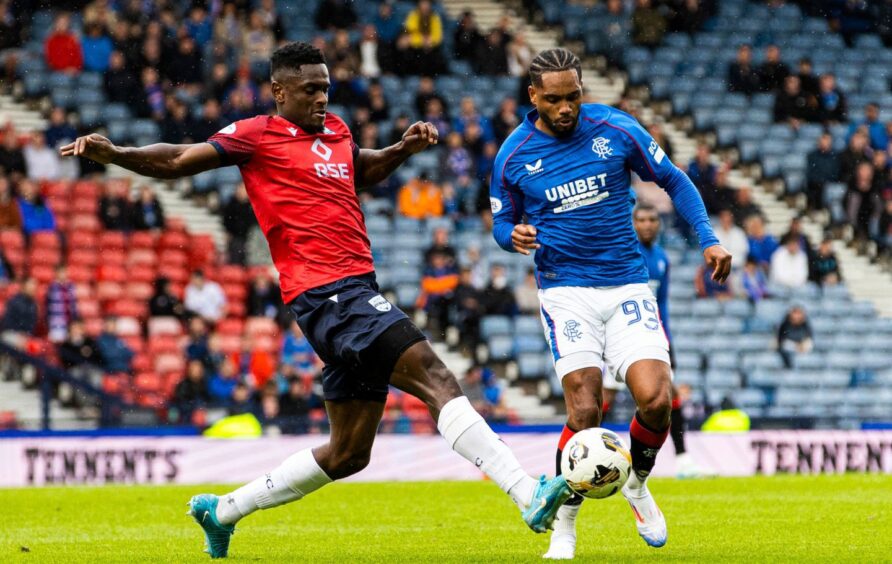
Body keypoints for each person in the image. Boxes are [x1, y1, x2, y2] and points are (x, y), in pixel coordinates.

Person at [63, 41, 567, 558]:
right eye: (310, 90)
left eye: (325, 88)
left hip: (353, 290)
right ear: (279, 92)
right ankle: (526, 492)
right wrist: (117, 154)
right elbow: (178, 159)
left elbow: (356, 170)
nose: (322, 98)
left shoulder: (336, 131)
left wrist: (399, 151)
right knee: (434, 375)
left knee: (349, 452)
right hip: (327, 293)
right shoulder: (256, 135)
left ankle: (223, 510)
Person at [490, 48, 731, 558]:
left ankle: (637, 485)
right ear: (533, 96)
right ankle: (565, 525)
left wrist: (707, 238)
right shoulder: (513, 156)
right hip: (565, 290)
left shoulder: (616, 129)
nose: (565, 109)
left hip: (625, 284)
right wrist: (511, 234)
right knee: (584, 410)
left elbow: (674, 179)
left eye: (573, 96)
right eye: (553, 100)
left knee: (657, 400)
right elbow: (499, 219)